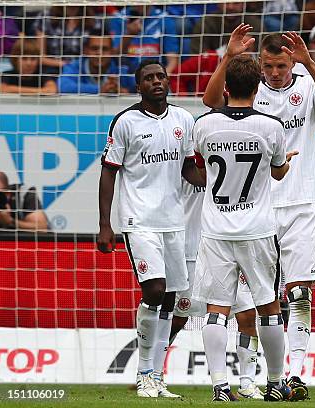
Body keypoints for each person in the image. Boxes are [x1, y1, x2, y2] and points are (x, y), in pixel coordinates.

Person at [203, 25, 315, 401]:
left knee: (298, 293)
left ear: (290, 62)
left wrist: (310, 64)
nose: (276, 72)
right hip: (258, 209)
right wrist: (230, 57)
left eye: (281, 65)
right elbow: (211, 99)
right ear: (260, 65)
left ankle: (293, 375)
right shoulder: (251, 90)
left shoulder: (306, 83)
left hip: (300, 201)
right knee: (252, 304)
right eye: (269, 65)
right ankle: (249, 377)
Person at [97, 60, 205, 398]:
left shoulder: (183, 119)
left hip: (175, 222)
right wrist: (105, 224)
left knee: (171, 300)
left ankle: (157, 375)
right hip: (138, 221)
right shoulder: (126, 122)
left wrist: (219, 183)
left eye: (160, 76)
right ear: (138, 86)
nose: (156, 82)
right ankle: (144, 371)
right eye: (148, 78)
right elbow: (109, 171)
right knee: (155, 290)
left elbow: (189, 168)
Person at [194, 54, 298, 402]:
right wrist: (286, 164)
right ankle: (273, 383)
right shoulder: (271, 127)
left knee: (216, 309)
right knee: (268, 306)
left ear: (226, 87)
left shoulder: (204, 125)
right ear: (257, 87)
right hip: (256, 229)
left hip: (216, 230)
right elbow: (279, 171)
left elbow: (200, 160)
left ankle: (219, 386)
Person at [169, 178, 265, 399]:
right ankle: (152, 372)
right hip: (191, 248)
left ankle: (247, 383)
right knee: (178, 317)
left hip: (231, 243)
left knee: (248, 314)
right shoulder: (188, 154)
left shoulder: (235, 154)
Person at [58, 29, 136, 94]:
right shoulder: (75, 66)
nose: (99, 53)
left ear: (112, 51)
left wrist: (124, 91)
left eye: (105, 49)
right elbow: (63, 86)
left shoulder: (124, 67)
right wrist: (100, 89)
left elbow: (140, 88)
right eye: (94, 48)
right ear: (86, 50)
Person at [109, 6, 180, 74]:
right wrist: (129, 35)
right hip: (126, 76)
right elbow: (115, 55)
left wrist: (161, 78)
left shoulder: (164, 19)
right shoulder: (119, 18)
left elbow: (172, 61)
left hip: (155, 74)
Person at [189, 1, 262, 56]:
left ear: (244, 4)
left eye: (236, 3)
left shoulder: (255, 24)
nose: (230, 7)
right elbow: (197, 56)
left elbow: (263, 56)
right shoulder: (205, 23)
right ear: (218, 3)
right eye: (226, 3)